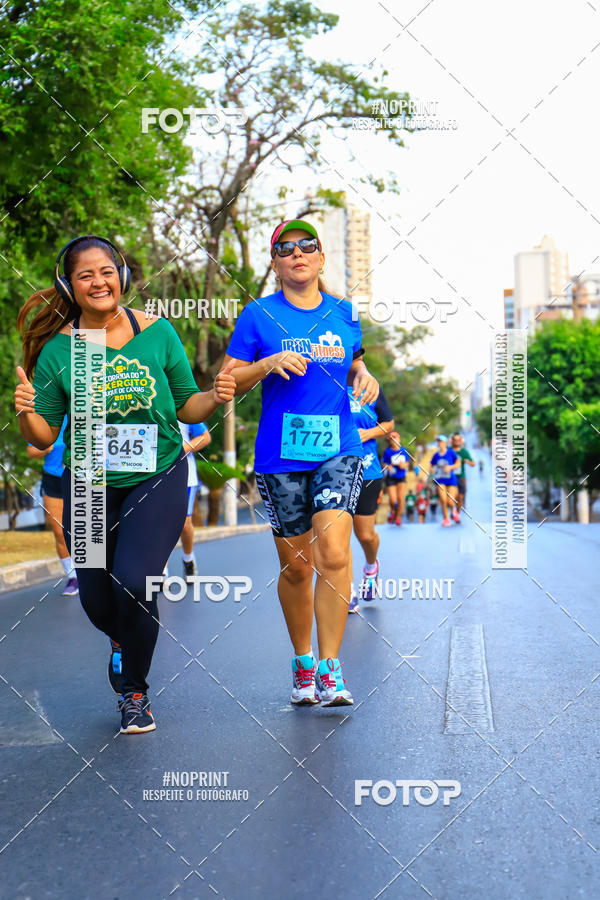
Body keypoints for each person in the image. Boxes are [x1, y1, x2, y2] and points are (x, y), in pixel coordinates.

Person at [15, 235, 234, 734]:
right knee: (96, 599)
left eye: (107, 270)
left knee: (133, 583)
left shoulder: (157, 333)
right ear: (68, 285)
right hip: (89, 482)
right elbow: (45, 435)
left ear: (123, 276)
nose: (99, 281)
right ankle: (124, 640)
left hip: (156, 473)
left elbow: (186, 406)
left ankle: (134, 692)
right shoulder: (60, 350)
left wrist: (214, 395)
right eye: (85, 274)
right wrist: (27, 414)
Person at [222, 219, 378, 706]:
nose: (297, 254)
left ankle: (332, 668)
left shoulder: (344, 312)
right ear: (275, 263)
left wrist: (364, 372)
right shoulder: (257, 316)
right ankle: (303, 662)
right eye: (285, 249)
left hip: (339, 448)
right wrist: (266, 364)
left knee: (334, 551)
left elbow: (351, 358)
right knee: (296, 566)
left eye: (306, 246)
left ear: (321, 258)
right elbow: (227, 381)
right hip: (279, 454)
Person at [347, 386, 394, 613]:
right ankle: (346, 590)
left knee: (365, 534)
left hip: (367, 471)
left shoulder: (369, 387)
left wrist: (367, 434)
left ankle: (371, 565)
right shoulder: (324, 382)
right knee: (337, 537)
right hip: (331, 472)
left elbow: (388, 424)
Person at [27, 415, 79, 595]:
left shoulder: (83, 410)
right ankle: (73, 577)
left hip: (80, 477)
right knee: (59, 531)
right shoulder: (47, 417)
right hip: (53, 479)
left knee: (88, 528)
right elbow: (31, 451)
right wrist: (45, 448)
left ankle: (95, 575)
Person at [178, 421, 211, 578]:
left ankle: (188, 559)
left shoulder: (183, 403)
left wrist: (182, 449)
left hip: (185, 475)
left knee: (184, 524)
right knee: (160, 524)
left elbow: (205, 437)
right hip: (155, 474)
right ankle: (161, 570)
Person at [428, 434, 461, 526]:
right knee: (443, 499)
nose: (440, 443)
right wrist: (432, 470)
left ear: (445, 443)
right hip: (440, 479)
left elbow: (458, 463)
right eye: (438, 441)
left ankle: (454, 511)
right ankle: (446, 518)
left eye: (441, 441)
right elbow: (431, 466)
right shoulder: (435, 455)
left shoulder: (451, 453)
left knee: (450, 501)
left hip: (451, 479)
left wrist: (450, 467)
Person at [382, 431, 409, 525]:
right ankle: (393, 511)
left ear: (399, 439)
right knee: (393, 499)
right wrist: (387, 466)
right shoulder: (388, 451)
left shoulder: (404, 450)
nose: (393, 441)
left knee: (401, 498)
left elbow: (408, 463)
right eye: (391, 439)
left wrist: (404, 465)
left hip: (401, 477)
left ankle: (398, 518)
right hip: (391, 477)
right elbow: (383, 462)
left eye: (395, 438)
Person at [451, 432, 475, 516]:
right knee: (452, 496)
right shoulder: (449, 451)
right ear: (452, 441)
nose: (457, 441)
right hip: (450, 477)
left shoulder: (464, 452)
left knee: (460, 497)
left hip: (461, 477)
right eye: (455, 440)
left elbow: (473, 463)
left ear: (461, 441)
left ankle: (457, 513)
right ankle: (452, 510)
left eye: (458, 440)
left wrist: (467, 461)